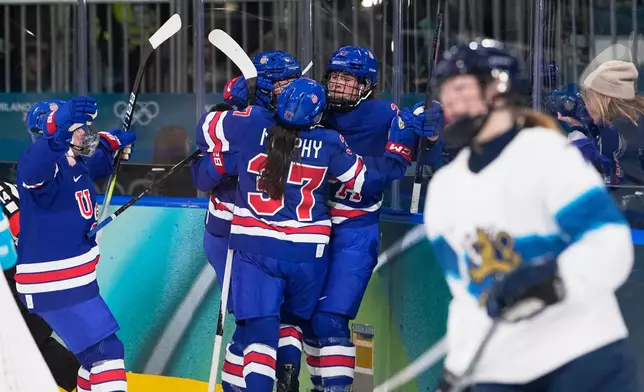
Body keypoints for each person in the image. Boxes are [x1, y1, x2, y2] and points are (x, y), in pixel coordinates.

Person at [424, 38, 638, 392]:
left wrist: (554, 279)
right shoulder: (445, 189)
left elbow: (610, 244)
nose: (450, 102)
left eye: (461, 89)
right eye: (446, 92)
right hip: (502, 369)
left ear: (497, 90)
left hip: (581, 356)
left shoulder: (548, 154)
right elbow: (468, 297)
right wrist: (458, 370)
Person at [192, 77, 419, 391]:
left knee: (258, 334)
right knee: (293, 324)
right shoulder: (330, 141)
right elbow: (366, 181)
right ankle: (289, 380)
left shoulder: (253, 123)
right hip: (308, 255)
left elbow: (206, 129)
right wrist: (399, 153)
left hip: (256, 248)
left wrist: (241, 104)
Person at [302, 45, 443, 391]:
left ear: (366, 84)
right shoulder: (313, 109)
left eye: (347, 78)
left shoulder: (384, 115)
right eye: (334, 76)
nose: (337, 84)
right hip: (307, 228)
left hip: (354, 230)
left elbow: (431, 153)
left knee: (331, 319)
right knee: (305, 321)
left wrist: (433, 131)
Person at [192, 50, 303, 392]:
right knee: (254, 320)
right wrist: (225, 161)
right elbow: (202, 174)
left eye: (293, 80)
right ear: (264, 85)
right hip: (229, 233)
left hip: (274, 237)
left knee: (278, 318)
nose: (292, 88)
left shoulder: (298, 113)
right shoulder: (241, 117)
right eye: (284, 82)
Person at [16, 98, 136, 392]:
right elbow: (33, 171)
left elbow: (100, 156)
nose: (84, 132)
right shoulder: (42, 164)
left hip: (75, 283)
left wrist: (113, 144)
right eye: (77, 127)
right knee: (106, 354)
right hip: (55, 283)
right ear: (58, 132)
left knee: (91, 360)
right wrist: (57, 129)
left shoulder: (76, 161)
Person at [0, 179, 81, 391]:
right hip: (33, 276)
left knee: (30, 344)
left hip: (18, 278)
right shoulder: (10, 188)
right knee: (33, 345)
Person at [544, 84, 625, 185]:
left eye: (588, 101)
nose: (586, 106)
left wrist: (577, 130)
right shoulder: (600, 132)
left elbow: (608, 176)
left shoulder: (610, 131)